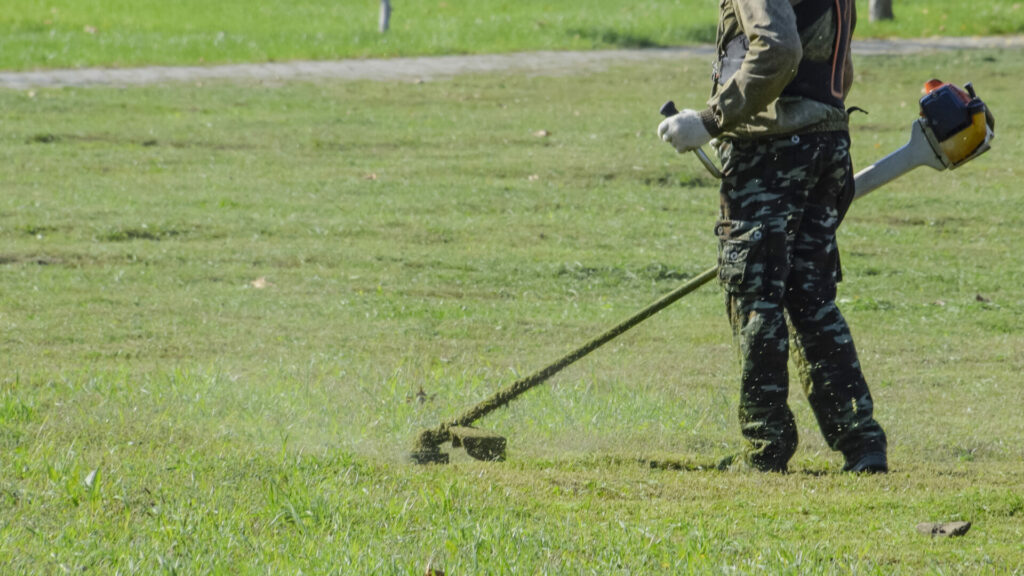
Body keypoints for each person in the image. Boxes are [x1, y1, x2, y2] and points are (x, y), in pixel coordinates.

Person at [657, 0, 887, 473]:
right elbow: (835, 62)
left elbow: (779, 49)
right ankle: (862, 445)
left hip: (771, 149)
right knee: (812, 299)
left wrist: (710, 120)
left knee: (756, 297)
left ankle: (765, 450)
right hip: (828, 141)